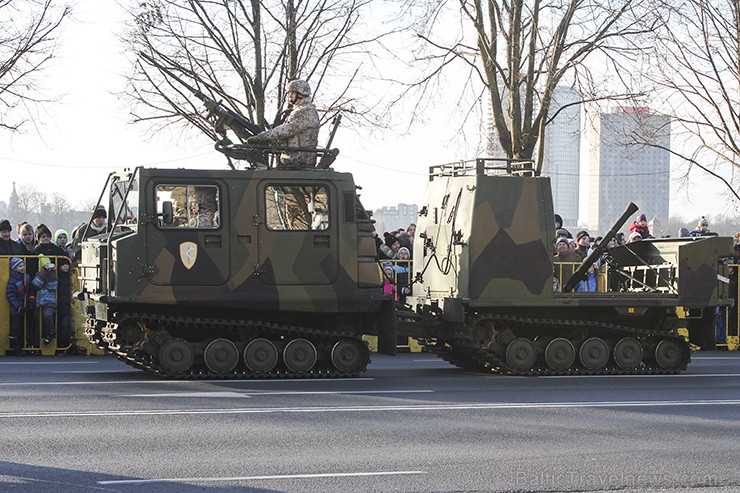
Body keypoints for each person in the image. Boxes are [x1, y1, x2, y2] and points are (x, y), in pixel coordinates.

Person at [246, 79, 320, 168]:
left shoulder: (306, 111)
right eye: (289, 94)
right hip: (294, 161)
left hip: (300, 162)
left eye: (292, 93)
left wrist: (262, 137)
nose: (289, 96)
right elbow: (287, 137)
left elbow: (287, 130)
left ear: (301, 94)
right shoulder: (300, 110)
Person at [35, 224, 72, 349]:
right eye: (43, 236)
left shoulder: (56, 249)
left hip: (55, 287)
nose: (46, 238)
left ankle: (56, 339)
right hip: (40, 286)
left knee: (52, 315)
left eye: (48, 236)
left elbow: (65, 260)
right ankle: (37, 343)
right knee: (38, 317)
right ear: (38, 238)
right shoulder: (35, 251)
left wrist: (64, 266)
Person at [6, 258, 33, 355]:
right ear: (14, 268)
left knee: (25, 327)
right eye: (20, 266)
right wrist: (18, 306)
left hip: (25, 306)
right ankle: (16, 347)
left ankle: (26, 346)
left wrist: (31, 300)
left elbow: (30, 290)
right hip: (16, 309)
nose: (22, 268)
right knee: (16, 328)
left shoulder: (27, 277)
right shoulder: (12, 280)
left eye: (23, 265)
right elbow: (10, 295)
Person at [32, 256, 58, 346]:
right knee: (38, 323)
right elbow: (37, 285)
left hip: (50, 302)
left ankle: (51, 333)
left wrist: (52, 274)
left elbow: (52, 287)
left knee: (47, 316)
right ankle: (36, 344)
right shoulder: (38, 275)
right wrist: (43, 273)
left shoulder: (53, 275)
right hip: (39, 302)